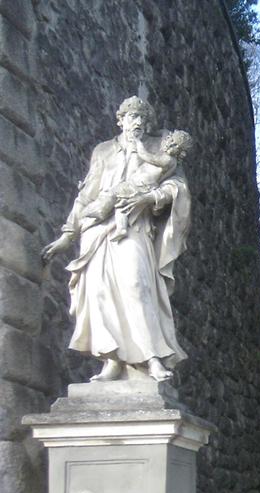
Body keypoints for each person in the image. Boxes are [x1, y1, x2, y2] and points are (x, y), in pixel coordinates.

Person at [41, 96, 191, 382]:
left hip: (134, 226)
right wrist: (66, 236)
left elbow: (178, 188)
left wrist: (148, 199)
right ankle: (112, 359)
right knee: (99, 293)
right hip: (96, 229)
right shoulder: (103, 151)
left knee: (137, 285)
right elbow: (86, 195)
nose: (138, 123)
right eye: (133, 117)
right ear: (120, 119)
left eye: (143, 119)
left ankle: (152, 358)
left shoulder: (158, 148)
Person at [79, 129, 193, 242]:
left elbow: (146, 156)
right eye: (170, 140)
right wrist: (154, 131)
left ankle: (101, 210)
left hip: (138, 186)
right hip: (136, 185)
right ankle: (121, 228)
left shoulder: (168, 159)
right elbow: (163, 132)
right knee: (122, 205)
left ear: (180, 153)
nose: (169, 144)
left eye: (174, 145)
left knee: (113, 194)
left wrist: (138, 142)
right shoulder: (104, 149)